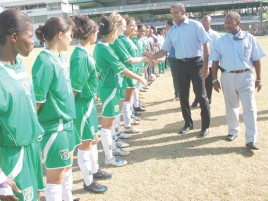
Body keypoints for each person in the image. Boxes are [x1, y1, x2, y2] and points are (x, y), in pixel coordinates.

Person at [0, 9, 44, 201]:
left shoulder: (18, 64)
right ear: (14, 37)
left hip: (32, 150)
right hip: (13, 157)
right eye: (30, 36)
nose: (33, 41)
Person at [32, 17, 80, 200]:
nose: (71, 39)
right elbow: (37, 101)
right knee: (55, 177)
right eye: (69, 35)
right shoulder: (44, 61)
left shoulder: (61, 57)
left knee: (66, 168)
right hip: (54, 127)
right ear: (60, 35)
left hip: (67, 124)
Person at [148, 3, 211, 137]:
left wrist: (206, 65)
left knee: (201, 95)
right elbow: (164, 50)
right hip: (180, 65)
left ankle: (205, 127)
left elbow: (206, 44)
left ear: (183, 12)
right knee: (183, 96)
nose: (174, 16)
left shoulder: (195, 25)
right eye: (172, 13)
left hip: (196, 64)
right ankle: (188, 123)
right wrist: (153, 56)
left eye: (176, 12)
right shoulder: (172, 31)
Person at [93, 15, 148, 166]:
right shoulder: (104, 49)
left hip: (110, 86)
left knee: (110, 124)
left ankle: (112, 150)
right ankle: (109, 157)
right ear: (111, 34)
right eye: (116, 33)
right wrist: (140, 78)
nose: (118, 35)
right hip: (109, 88)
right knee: (107, 126)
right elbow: (121, 68)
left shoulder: (101, 46)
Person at [210, 12, 265, 150]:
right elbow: (215, 61)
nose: (226, 25)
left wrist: (259, 79)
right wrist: (214, 79)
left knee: (250, 108)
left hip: (246, 76)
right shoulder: (221, 41)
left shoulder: (250, 38)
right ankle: (233, 130)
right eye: (225, 23)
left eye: (229, 23)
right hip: (227, 77)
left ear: (238, 22)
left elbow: (257, 59)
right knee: (231, 106)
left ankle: (251, 139)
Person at [70, 15, 110, 194]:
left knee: (93, 139)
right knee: (85, 144)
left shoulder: (85, 53)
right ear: (92, 34)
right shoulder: (79, 56)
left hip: (89, 103)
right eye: (96, 32)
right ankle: (88, 181)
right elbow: (75, 88)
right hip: (82, 106)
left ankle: (94, 170)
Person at [191, 15, 221, 108]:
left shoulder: (215, 35)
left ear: (210, 22)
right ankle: (197, 98)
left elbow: (218, 50)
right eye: (202, 20)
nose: (204, 22)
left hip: (211, 63)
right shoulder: (196, 33)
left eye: (206, 20)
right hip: (198, 62)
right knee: (196, 84)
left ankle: (208, 101)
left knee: (208, 84)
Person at [166, 20, 179, 101]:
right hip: (171, 58)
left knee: (181, 77)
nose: (166, 28)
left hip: (179, 58)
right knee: (175, 77)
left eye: (167, 27)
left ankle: (181, 94)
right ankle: (177, 94)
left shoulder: (177, 33)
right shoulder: (168, 35)